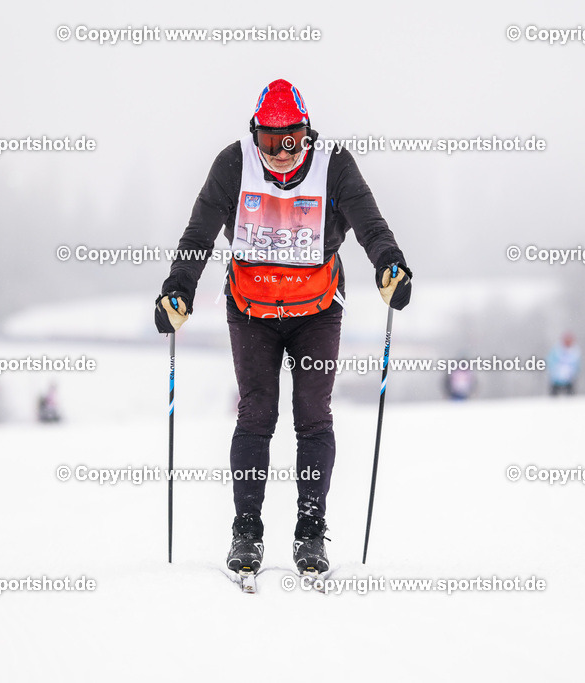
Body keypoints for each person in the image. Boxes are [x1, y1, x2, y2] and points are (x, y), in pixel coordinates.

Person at [154, 79, 412, 576]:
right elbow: (198, 234)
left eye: (290, 140)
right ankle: (247, 531)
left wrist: (390, 264)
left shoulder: (334, 165)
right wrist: (178, 288)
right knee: (257, 413)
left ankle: (310, 534)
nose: (279, 154)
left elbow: (371, 225)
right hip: (251, 310)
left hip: (317, 310)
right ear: (255, 136)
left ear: (307, 133)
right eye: (269, 143)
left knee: (313, 416)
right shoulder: (233, 165)